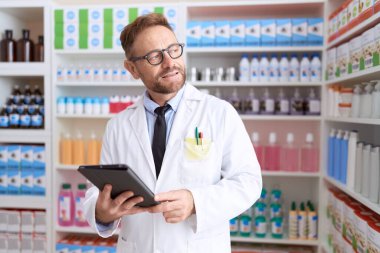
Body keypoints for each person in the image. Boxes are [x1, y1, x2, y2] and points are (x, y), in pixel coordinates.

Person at [83, 13, 262, 253]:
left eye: (173, 49)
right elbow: (98, 189)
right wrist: (101, 212)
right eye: (155, 56)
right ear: (132, 68)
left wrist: (195, 202)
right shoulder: (118, 125)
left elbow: (248, 182)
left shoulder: (219, 113)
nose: (170, 62)